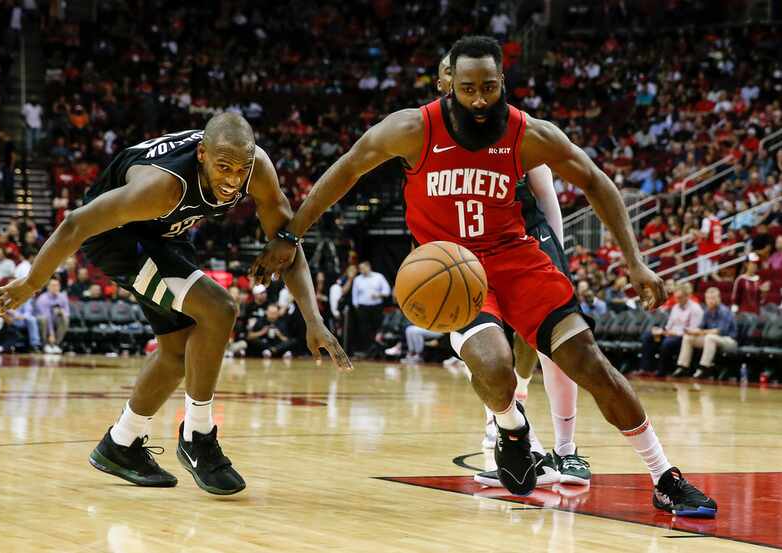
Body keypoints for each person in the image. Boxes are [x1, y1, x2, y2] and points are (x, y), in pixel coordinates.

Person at [251, 36, 715, 516]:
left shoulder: (527, 133)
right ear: (449, 83)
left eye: (488, 88)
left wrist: (635, 260)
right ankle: (511, 427)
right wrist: (292, 235)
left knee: (589, 362)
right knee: (494, 366)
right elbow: (346, 171)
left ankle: (663, 476)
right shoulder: (412, 129)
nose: (478, 100)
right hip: (455, 269)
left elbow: (596, 181)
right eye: (468, 88)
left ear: (501, 84)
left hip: (517, 259)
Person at [0, 113, 350, 496]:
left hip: (164, 233)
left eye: (239, 169)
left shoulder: (256, 169)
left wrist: (313, 319)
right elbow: (76, 224)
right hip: (116, 236)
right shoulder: (162, 186)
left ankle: (122, 443)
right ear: (201, 154)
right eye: (222, 167)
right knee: (219, 308)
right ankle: (198, 435)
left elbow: (285, 243)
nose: (232, 180)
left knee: (179, 351)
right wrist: (32, 281)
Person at [441, 51, 590, 488]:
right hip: (467, 251)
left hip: (525, 238)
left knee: (555, 343)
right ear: (444, 87)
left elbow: (545, 196)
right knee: (484, 343)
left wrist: (556, 256)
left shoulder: (513, 128)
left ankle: (567, 450)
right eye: (453, 79)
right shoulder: (425, 135)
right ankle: (503, 420)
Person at [673, 287, 737, 379]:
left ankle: (704, 368)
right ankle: (683, 367)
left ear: (719, 299)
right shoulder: (707, 311)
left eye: (713, 298)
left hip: (729, 341)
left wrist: (700, 332)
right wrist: (692, 332)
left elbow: (719, 331)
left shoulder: (724, 311)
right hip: (713, 339)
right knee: (688, 338)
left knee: (710, 337)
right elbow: (700, 328)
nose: (710, 301)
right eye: (708, 298)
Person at [639, 283, 702, 376]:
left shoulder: (695, 309)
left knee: (667, 343)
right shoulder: (675, 307)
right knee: (647, 336)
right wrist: (661, 330)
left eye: (680, 297)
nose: (677, 300)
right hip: (670, 334)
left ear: (687, 296)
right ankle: (646, 368)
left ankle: (661, 371)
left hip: (683, 337)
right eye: (676, 297)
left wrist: (675, 333)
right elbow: (669, 325)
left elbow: (693, 329)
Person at [350, 261, 390, 356]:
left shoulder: (379, 277)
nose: (362, 270)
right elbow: (354, 294)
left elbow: (387, 291)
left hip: (376, 307)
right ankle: (366, 350)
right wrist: (356, 306)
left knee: (376, 328)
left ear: (369, 267)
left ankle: (377, 350)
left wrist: (379, 295)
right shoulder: (357, 279)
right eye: (360, 269)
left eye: (363, 268)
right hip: (363, 308)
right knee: (364, 329)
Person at [35, 277, 70, 353]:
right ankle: (45, 345)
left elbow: (67, 313)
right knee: (44, 319)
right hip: (42, 320)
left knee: (65, 319)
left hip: (55, 319)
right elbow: (47, 317)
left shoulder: (62, 297)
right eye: (53, 285)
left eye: (57, 285)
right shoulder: (43, 299)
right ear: (48, 287)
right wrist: (51, 334)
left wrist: (62, 312)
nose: (55, 287)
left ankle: (55, 344)